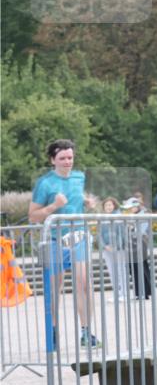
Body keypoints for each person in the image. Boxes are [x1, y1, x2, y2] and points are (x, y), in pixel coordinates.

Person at [28, 140, 101, 347]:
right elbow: (33, 216)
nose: (67, 161)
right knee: (54, 287)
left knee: (84, 282)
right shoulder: (45, 183)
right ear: (53, 160)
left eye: (70, 157)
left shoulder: (80, 177)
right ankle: (52, 331)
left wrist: (87, 202)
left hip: (78, 236)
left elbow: (77, 198)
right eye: (62, 158)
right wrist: (54, 206)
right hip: (54, 239)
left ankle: (87, 333)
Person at [97, 197, 129, 301]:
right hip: (106, 249)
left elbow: (121, 233)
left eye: (110, 205)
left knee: (121, 270)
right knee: (112, 271)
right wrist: (105, 246)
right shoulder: (101, 218)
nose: (108, 207)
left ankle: (124, 293)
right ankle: (117, 293)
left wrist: (115, 246)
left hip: (119, 248)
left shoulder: (119, 216)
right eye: (106, 205)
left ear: (114, 205)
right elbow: (99, 234)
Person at [122, 197, 153, 300]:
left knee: (141, 267)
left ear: (136, 206)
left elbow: (141, 232)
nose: (130, 209)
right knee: (133, 268)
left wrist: (131, 229)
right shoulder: (133, 216)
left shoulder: (143, 215)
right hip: (133, 244)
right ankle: (139, 292)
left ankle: (145, 292)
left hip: (140, 244)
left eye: (132, 207)